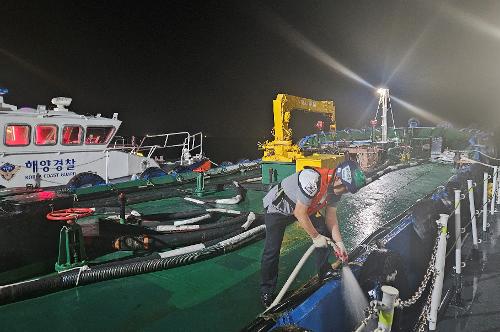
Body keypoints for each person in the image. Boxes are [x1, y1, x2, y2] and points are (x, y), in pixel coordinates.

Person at [260, 160, 366, 307]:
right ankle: (267, 291)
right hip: (279, 208)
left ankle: (324, 271)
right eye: (345, 189)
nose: (344, 192)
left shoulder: (337, 189)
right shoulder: (312, 179)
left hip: (304, 207)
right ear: (337, 178)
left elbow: (331, 217)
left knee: (324, 229)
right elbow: (299, 213)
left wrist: (339, 243)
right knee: (272, 249)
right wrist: (315, 237)